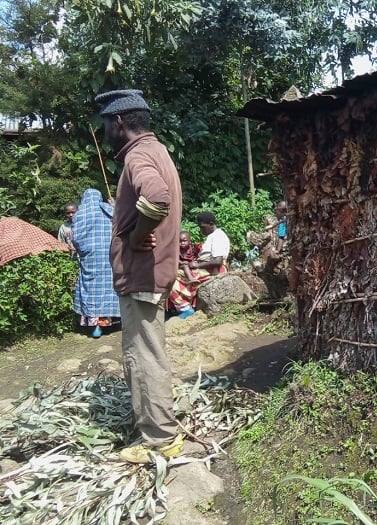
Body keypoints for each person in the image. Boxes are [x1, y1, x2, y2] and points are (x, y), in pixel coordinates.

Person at [95, 88, 184, 464]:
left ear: (119, 121)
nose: (103, 132)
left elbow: (158, 198)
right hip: (152, 272)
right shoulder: (157, 150)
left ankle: (160, 440)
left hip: (142, 274)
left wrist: (133, 235)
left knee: (143, 356)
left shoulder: (139, 156)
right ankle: (159, 425)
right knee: (150, 352)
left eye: (105, 124)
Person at [71, 189, 120, 338]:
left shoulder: (80, 214)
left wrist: (82, 251)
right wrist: (113, 204)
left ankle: (96, 325)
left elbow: (76, 238)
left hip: (90, 256)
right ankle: (109, 319)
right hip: (109, 253)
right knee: (108, 285)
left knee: (91, 287)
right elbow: (121, 219)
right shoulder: (108, 209)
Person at [167, 211, 230, 319]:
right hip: (207, 267)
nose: (201, 230)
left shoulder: (218, 236)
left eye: (202, 227)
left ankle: (185, 308)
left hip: (215, 269)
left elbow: (218, 261)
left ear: (211, 224)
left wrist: (196, 265)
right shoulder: (212, 236)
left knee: (170, 277)